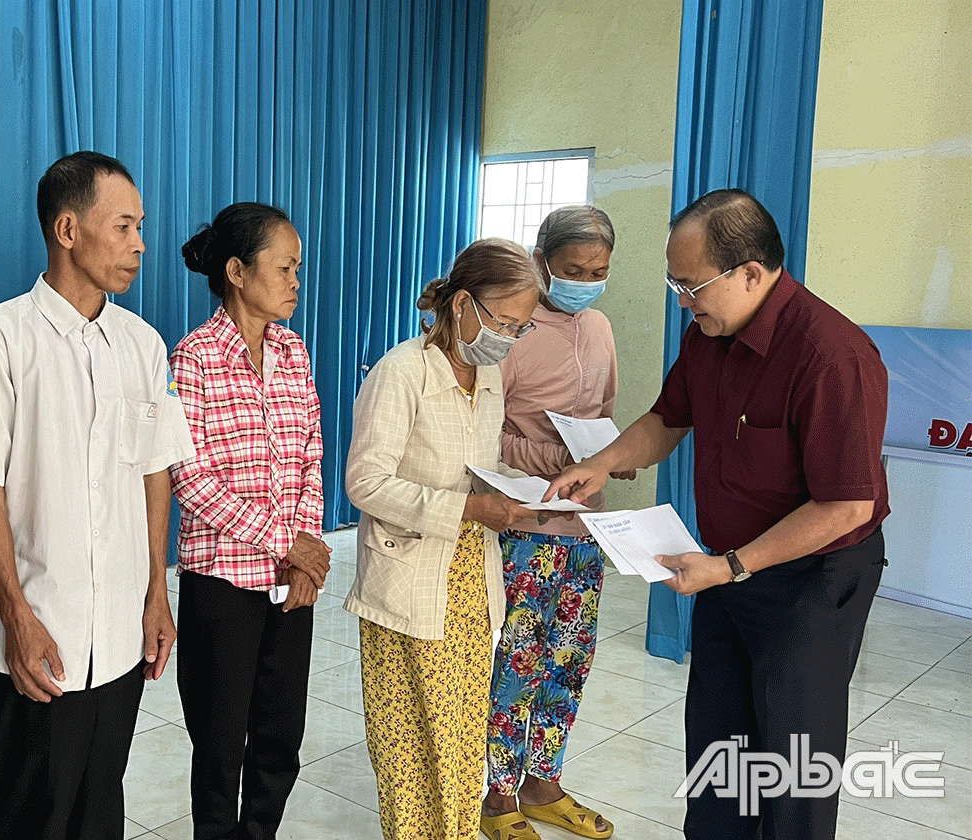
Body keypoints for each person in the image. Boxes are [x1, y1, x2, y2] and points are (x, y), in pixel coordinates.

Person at [546, 189, 889, 840]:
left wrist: (731, 566)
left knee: (793, 760)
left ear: (751, 274)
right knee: (718, 747)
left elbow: (847, 504)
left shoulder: (831, 355)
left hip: (812, 579)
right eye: (674, 283)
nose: (683, 300)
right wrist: (604, 462)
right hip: (726, 570)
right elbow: (668, 418)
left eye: (691, 285)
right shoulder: (709, 335)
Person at [0, 151, 196, 840]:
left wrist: (156, 592)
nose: (140, 244)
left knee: (99, 812)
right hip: (38, 636)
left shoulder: (143, 345)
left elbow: (154, 471)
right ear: (67, 229)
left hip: (117, 638)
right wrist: (16, 614)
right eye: (123, 227)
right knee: (29, 818)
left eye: (140, 227)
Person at [344, 238, 561, 840]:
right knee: (409, 747)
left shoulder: (487, 376)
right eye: (503, 322)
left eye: (520, 328)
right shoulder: (402, 372)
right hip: (407, 578)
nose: (508, 338)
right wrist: (468, 507)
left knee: (462, 743)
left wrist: (530, 491)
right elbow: (365, 482)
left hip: (468, 579)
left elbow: (478, 466)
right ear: (462, 304)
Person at [168, 203, 330, 840]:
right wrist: (288, 543)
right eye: (284, 268)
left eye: (298, 268)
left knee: (279, 738)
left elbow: (311, 454)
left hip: (290, 582)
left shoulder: (293, 352)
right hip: (222, 585)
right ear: (237, 272)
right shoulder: (194, 358)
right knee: (218, 745)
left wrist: (305, 550)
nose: (295, 281)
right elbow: (190, 479)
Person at [481, 207, 621, 840]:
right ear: (542, 261)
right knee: (517, 663)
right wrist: (557, 462)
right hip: (522, 524)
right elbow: (484, 433)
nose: (586, 282)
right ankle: (498, 797)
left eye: (598, 271)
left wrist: (608, 458)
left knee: (569, 661)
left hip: (584, 530)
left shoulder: (600, 328)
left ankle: (544, 783)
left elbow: (605, 414)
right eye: (573, 270)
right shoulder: (512, 330)